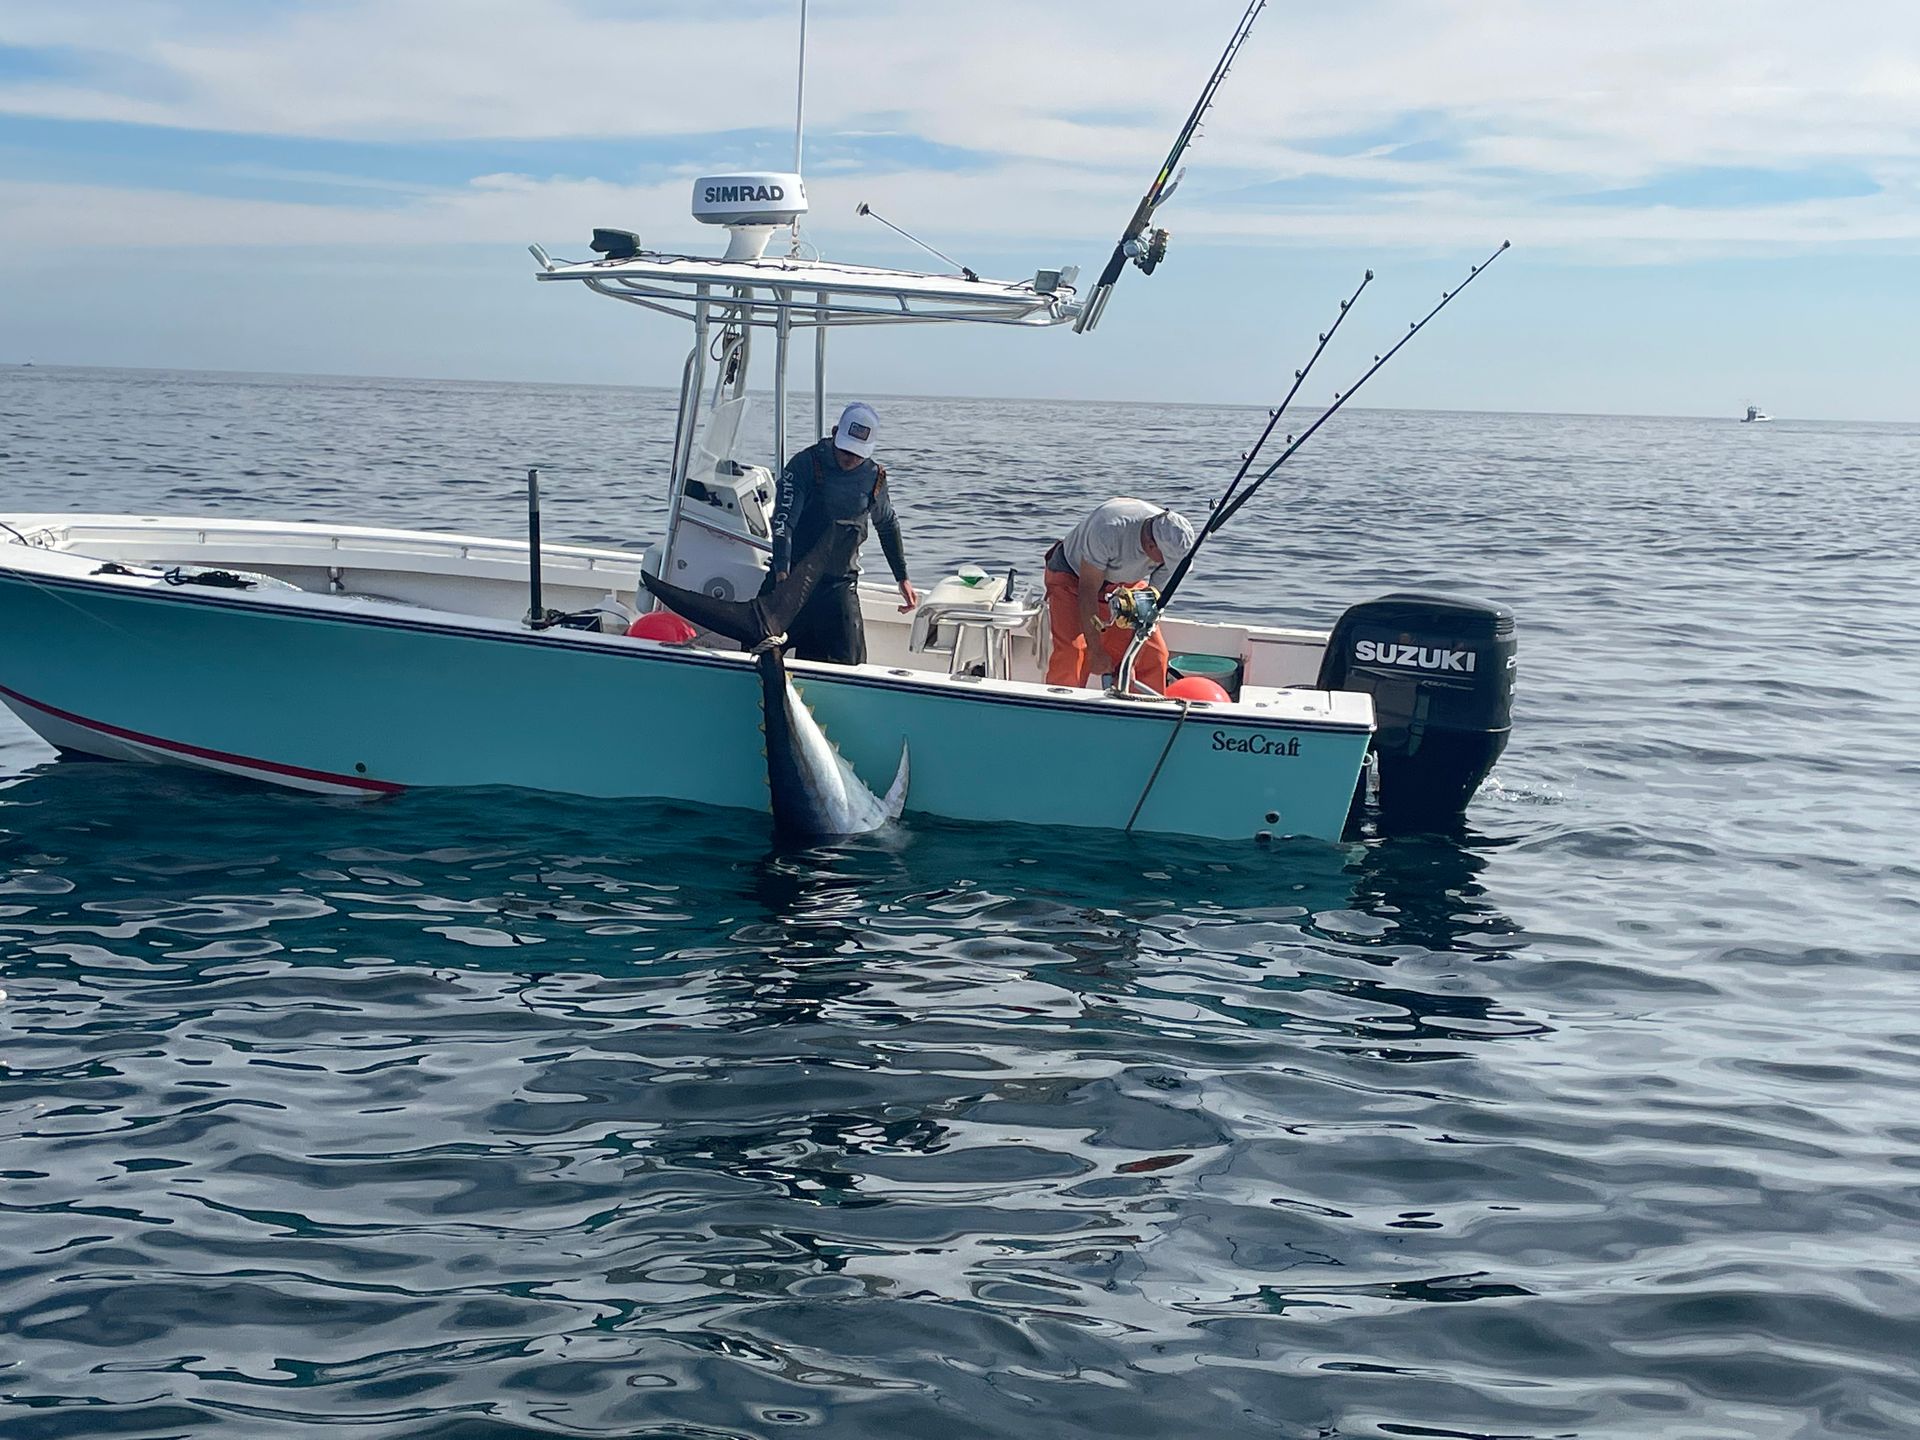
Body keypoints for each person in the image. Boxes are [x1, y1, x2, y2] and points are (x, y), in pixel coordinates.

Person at [767, 401, 918, 665]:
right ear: (835, 432)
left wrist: (902, 577)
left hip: (837, 585)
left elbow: (887, 524)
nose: (850, 458)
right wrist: (782, 572)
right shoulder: (804, 464)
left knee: (852, 665)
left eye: (858, 454)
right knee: (759, 649)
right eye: (846, 449)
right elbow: (783, 522)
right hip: (791, 579)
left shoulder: (874, 477)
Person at [1043, 498, 1195, 692]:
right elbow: (1087, 590)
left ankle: (1144, 712)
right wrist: (1095, 650)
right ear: (1150, 547)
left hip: (1124, 583)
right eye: (1166, 560)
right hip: (1074, 577)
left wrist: (1132, 659)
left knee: (1155, 655)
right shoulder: (1108, 528)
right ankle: (1060, 711)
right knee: (1074, 653)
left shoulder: (1170, 545)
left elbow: (1152, 603)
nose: (1168, 566)